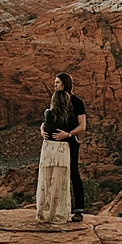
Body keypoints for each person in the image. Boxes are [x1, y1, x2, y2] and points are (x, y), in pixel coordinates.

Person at [40, 73, 87, 222]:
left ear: (65, 84)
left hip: (70, 143)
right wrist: (42, 129)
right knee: (53, 175)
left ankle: (79, 210)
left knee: (73, 173)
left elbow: (82, 126)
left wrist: (68, 134)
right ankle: (53, 209)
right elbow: (48, 119)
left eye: (57, 82)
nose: (54, 85)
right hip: (53, 145)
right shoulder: (55, 100)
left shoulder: (76, 102)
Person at [36, 90, 76, 224]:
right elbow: (74, 129)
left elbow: (46, 125)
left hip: (48, 148)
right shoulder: (70, 116)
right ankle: (54, 214)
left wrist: (42, 129)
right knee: (59, 184)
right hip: (62, 149)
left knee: (45, 182)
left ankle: (41, 212)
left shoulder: (48, 113)